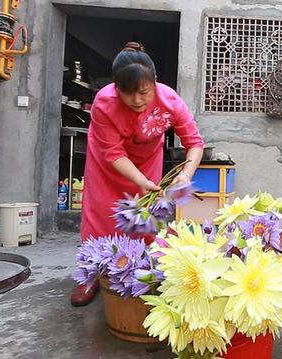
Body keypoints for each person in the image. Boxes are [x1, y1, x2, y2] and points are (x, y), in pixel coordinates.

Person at [70, 42, 204, 306]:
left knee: (144, 220)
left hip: (147, 164)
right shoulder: (104, 103)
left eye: (144, 92)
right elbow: (114, 153)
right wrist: (139, 181)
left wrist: (186, 174)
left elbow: (194, 143)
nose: (137, 100)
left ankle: (142, 272)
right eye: (128, 93)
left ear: (155, 83)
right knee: (101, 216)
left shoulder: (170, 100)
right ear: (116, 87)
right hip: (108, 165)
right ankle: (91, 274)